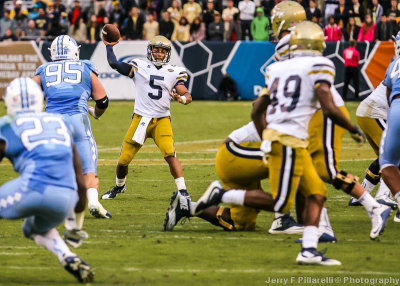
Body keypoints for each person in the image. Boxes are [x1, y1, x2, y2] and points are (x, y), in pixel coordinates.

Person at [194, 21, 390, 265]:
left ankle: (309, 250)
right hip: (288, 140)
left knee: (316, 193)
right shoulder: (320, 64)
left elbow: (256, 111)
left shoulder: (277, 70)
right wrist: (351, 128)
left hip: (284, 138)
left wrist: (267, 135)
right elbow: (327, 104)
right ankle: (223, 194)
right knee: (281, 201)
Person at [0, 77, 94, 283]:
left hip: (32, 189)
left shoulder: (7, 124)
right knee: (33, 228)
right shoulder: (60, 122)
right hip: (66, 198)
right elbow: (80, 181)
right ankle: (66, 255)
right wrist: (75, 225)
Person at [102, 35, 193, 225]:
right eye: (157, 50)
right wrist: (109, 47)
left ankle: (183, 191)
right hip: (140, 119)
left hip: (161, 121)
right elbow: (115, 64)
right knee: (123, 161)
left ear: (167, 54)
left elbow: (185, 93)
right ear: (150, 51)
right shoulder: (139, 66)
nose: (159, 54)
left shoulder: (174, 71)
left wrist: (182, 98)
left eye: (163, 51)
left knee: (170, 154)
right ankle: (120, 186)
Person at [32, 35, 111, 221]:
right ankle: (93, 201)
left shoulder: (44, 70)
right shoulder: (85, 67)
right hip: (77, 120)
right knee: (88, 164)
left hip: (52, 123)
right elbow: (103, 100)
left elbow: (26, 92)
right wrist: (96, 113)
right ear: (74, 50)